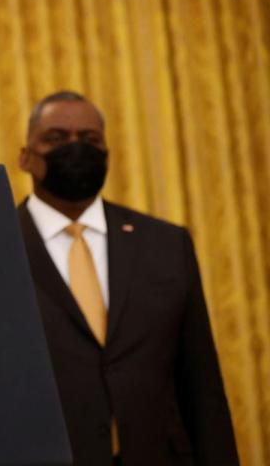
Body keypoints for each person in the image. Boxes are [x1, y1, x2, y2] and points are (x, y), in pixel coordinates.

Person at [16, 91, 237, 465]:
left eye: (89, 141)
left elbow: (201, 384)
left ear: (106, 154)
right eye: (56, 138)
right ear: (25, 157)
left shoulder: (166, 244)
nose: (75, 149)